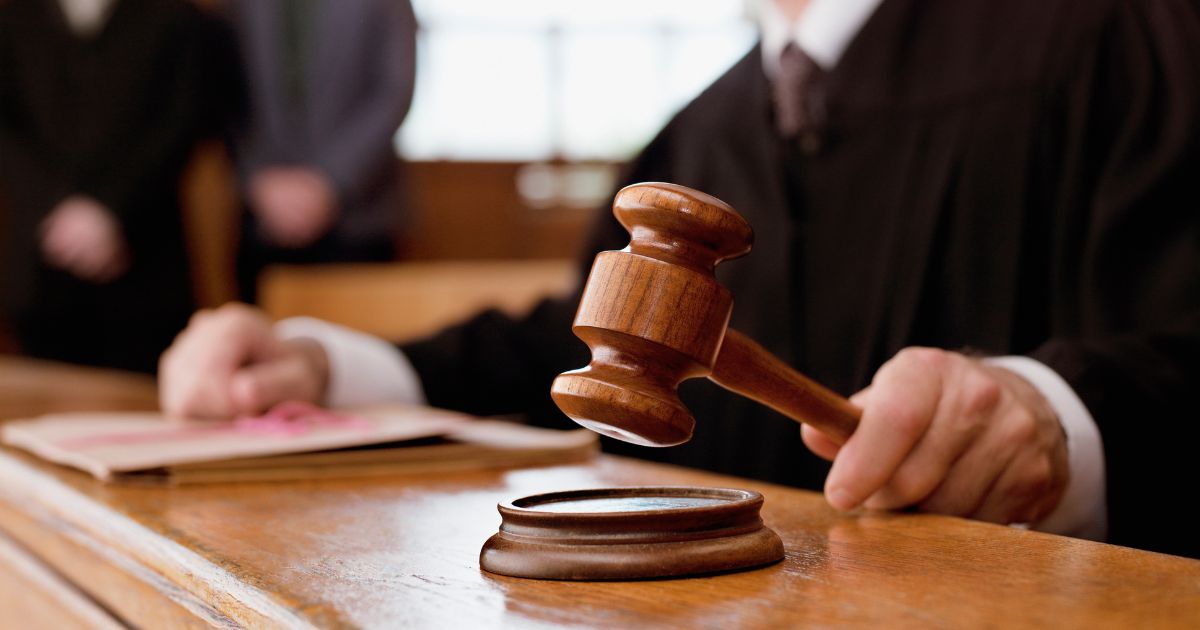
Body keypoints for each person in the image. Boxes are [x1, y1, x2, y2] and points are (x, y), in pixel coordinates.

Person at [160, 0, 1200, 558]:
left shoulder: (1121, 35)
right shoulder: (694, 131)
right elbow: (580, 354)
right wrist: (322, 364)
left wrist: (1062, 417)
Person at [0, 0, 209, 373]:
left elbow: (182, 120)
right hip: (42, 261)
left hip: (147, 264)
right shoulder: (12, 14)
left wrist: (109, 208)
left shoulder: (175, 15)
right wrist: (56, 206)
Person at [224, 0, 418, 301]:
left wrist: (327, 182)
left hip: (359, 216)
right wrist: (258, 178)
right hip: (265, 213)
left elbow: (393, 91)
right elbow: (222, 90)